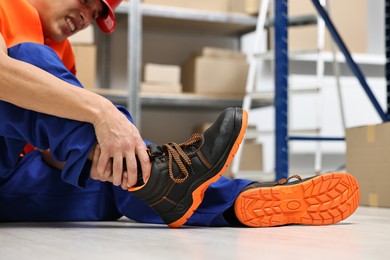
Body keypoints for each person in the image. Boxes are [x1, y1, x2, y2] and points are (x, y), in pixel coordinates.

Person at [0, 0, 360, 227]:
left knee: (123, 180)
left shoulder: (62, 54)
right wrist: (103, 111)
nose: (88, 17)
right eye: (88, 1)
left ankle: (238, 201)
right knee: (27, 62)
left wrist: (119, 161)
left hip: (13, 177)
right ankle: (157, 174)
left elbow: (54, 150)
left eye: (97, 14)